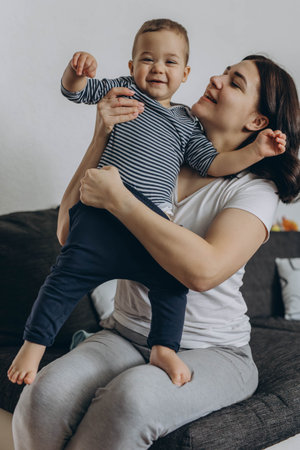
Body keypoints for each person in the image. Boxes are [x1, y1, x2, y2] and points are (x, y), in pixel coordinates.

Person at [12, 54, 300, 449]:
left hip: (214, 350)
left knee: (132, 398)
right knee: (43, 395)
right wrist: (102, 135)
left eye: (235, 83)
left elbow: (203, 270)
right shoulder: (159, 145)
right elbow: (68, 232)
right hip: (125, 332)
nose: (215, 79)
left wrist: (122, 202)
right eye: (224, 72)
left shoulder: (253, 190)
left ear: (257, 122)